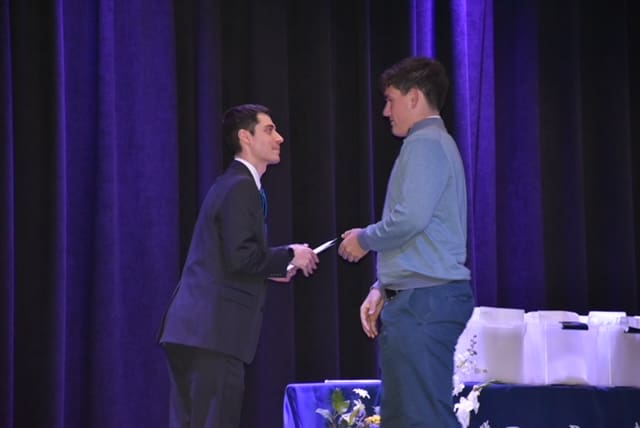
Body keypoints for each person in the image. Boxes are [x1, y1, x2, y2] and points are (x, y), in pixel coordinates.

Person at [157, 104, 319, 428]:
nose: (280, 138)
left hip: (200, 332)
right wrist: (291, 255)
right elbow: (241, 255)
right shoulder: (240, 187)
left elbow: (228, 257)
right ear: (245, 137)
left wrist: (273, 270)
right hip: (213, 334)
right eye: (269, 130)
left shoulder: (234, 185)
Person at [338, 57, 474, 427]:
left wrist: (364, 239)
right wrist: (385, 286)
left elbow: (409, 219)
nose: (386, 111)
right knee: (406, 418)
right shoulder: (431, 143)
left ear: (414, 97)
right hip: (419, 299)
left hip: (424, 304)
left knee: (421, 418)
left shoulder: (425, 143)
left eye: (390, 99)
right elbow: (426, 231)